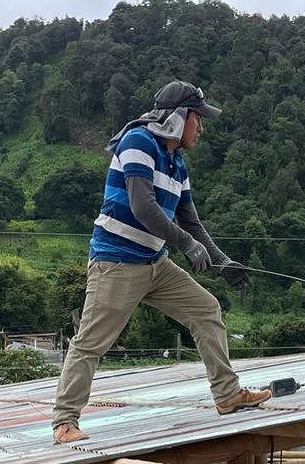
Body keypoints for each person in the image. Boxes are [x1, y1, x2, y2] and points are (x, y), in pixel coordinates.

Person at [51, 80, 270, 444]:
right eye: (198, 119)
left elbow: (191, 221)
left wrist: (223, 262)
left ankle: (228, 395)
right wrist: (187, 245)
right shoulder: (138, 142)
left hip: (156, 262)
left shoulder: (177, 163)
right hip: (117, 262)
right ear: (178, 118)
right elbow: (142, 206)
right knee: (91, 342)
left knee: (206, 309)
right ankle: (64, 421)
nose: (201, 128)